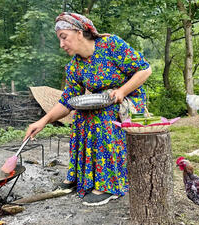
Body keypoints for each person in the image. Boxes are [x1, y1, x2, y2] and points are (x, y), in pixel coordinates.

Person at [24, 12, 152, 206]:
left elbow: (145, 69)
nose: (61, 44)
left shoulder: (111, 45)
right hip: (102, 103)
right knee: (81, 116)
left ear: (79, 32)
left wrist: (122, 91)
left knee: (101, 117)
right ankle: (80, 177)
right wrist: (42, 121)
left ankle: (109, 185)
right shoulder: (74, 66)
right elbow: (67, 101)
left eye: (63, 37)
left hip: (129, 102)